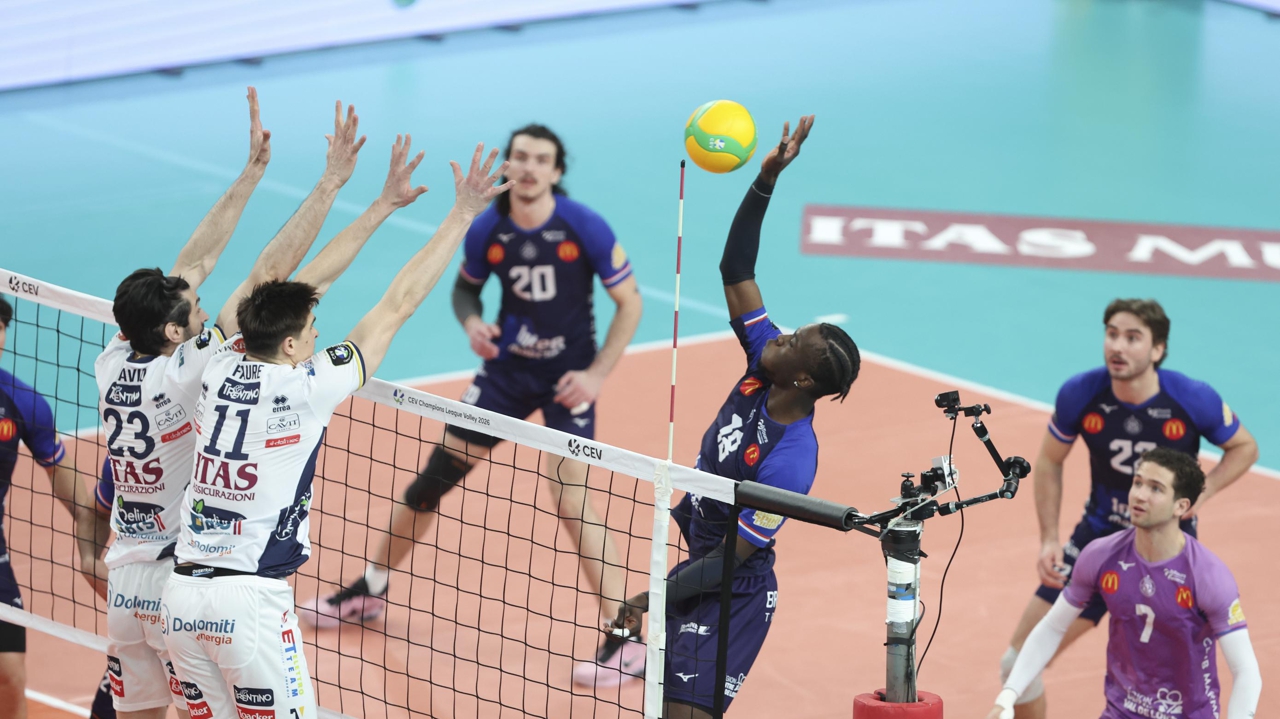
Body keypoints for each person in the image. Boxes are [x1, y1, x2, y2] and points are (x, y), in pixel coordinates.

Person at [159, 142, 509, 719]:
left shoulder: (217, 361)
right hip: (249, 603)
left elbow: (288, 285)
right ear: (289, 344)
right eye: (311, 330)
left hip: (181, 597)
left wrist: (379, 205)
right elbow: (397, 305)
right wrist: (462, 214)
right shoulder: (308, 386)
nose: (318, 335)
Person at [301, 124, 644, 686]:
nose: (528, 167)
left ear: (557, 171)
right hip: (505, 377)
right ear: (508, 165)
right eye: (520, 157)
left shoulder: (583, 226)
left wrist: (596, 374)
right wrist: (473, 323)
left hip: (566, 383)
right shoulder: (489, 227)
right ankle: (371, 589)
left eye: (541, 159)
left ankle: (626, 639)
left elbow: (629, 302)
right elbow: (466, 289)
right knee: (430, 483)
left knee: (571, 498)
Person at [93, 88, 369, 719]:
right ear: (175, 332)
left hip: (125, 574)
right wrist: (329, 185)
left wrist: (251, 172)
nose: (202, 308)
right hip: (181, 578)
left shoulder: (115, 357)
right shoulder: (193, 369)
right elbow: (267, 275)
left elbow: (193, 262)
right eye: (192, 311)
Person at [605, 116, 861, 716]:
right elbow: (736, 270)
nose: (779, 334)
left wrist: (650, 597)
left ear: (804, 379)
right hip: (700, 565)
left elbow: (731, 560)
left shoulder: (791, 461)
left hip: (732, 592)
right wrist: (767, 179)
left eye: (792, 340)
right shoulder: (765, 362)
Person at [999, 299, 1258, 718]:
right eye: (1112, 334)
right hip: (1096, 542)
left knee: (1170, 684)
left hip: (1164, 551)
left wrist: (1201, 494)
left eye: (1133, 338)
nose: (1117, 346)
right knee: (1015, 665)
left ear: (1158, 349)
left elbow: (1245, 447)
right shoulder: (1081, 393)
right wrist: (1049, 538)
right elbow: (1048, 460)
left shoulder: (1192, 398)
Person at [988, 447, 1261, 719]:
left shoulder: (1208, 576)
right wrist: (1007, 696)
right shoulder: (1101, 556)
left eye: (1156, 488)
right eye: (1138, 483)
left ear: (1181, 506)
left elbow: (1245, 670)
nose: (1140, 495)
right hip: (1121, 713)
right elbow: (1053, 626)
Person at [0, 295, 106, 719]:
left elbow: (67, 483)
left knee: (9, 674)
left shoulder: (20, 401)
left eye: (0, 328)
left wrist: (96, 530)